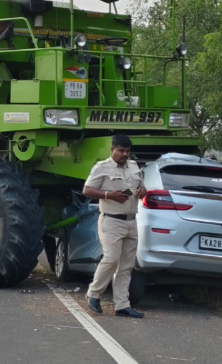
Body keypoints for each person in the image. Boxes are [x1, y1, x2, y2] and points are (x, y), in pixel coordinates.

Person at [83, 134, 147, 319]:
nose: (124, 154)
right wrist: (109, 195)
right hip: (111, 220)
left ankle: (122, 305)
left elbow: (143, 188)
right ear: (112, 150)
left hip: (131, 221)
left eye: (127, 151)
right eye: (120, 150)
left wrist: (143, 191)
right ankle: (94, 294)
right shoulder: (102, 167)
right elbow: (87, 190)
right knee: (111, 259)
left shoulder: (134, 167)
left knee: (126, 266)